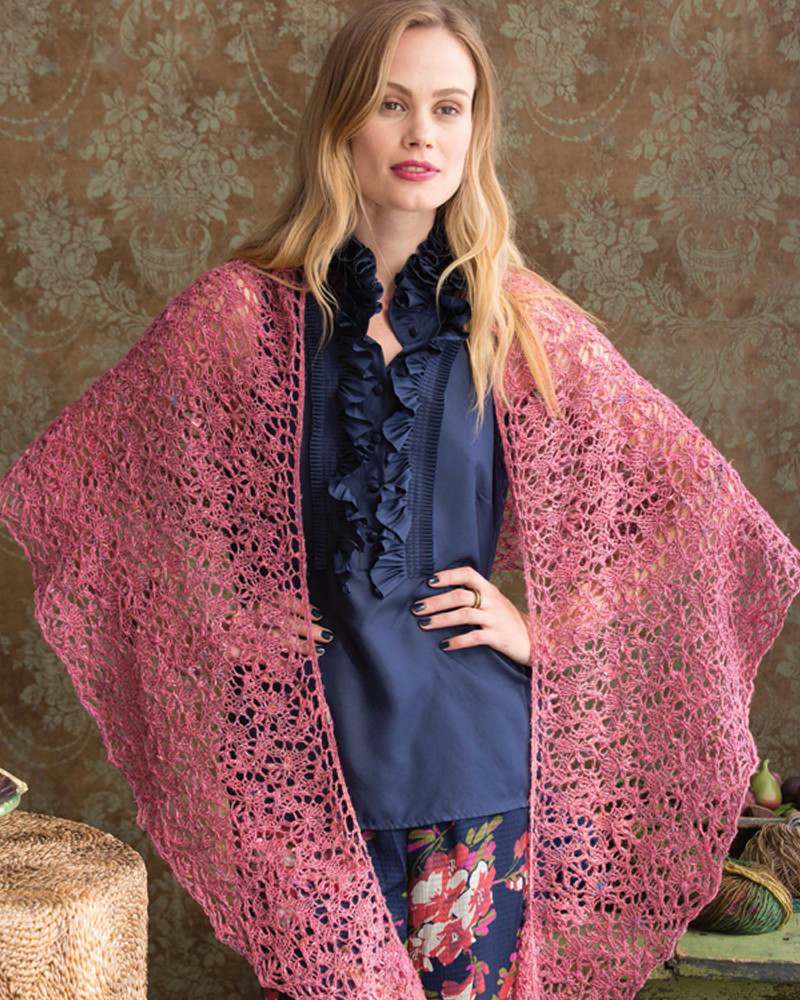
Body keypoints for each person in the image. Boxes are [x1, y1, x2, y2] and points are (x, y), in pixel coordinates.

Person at [2, 3, 799, 999]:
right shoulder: (239, 317)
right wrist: (224, 615)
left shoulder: (515, 325)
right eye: (391, 104)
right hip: (304, 773)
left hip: (477, 768)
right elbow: (83, 498)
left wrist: (549, 630)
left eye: (448, 107)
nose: (422, 133)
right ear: (342, 122)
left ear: (474, 130)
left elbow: (706, 519)